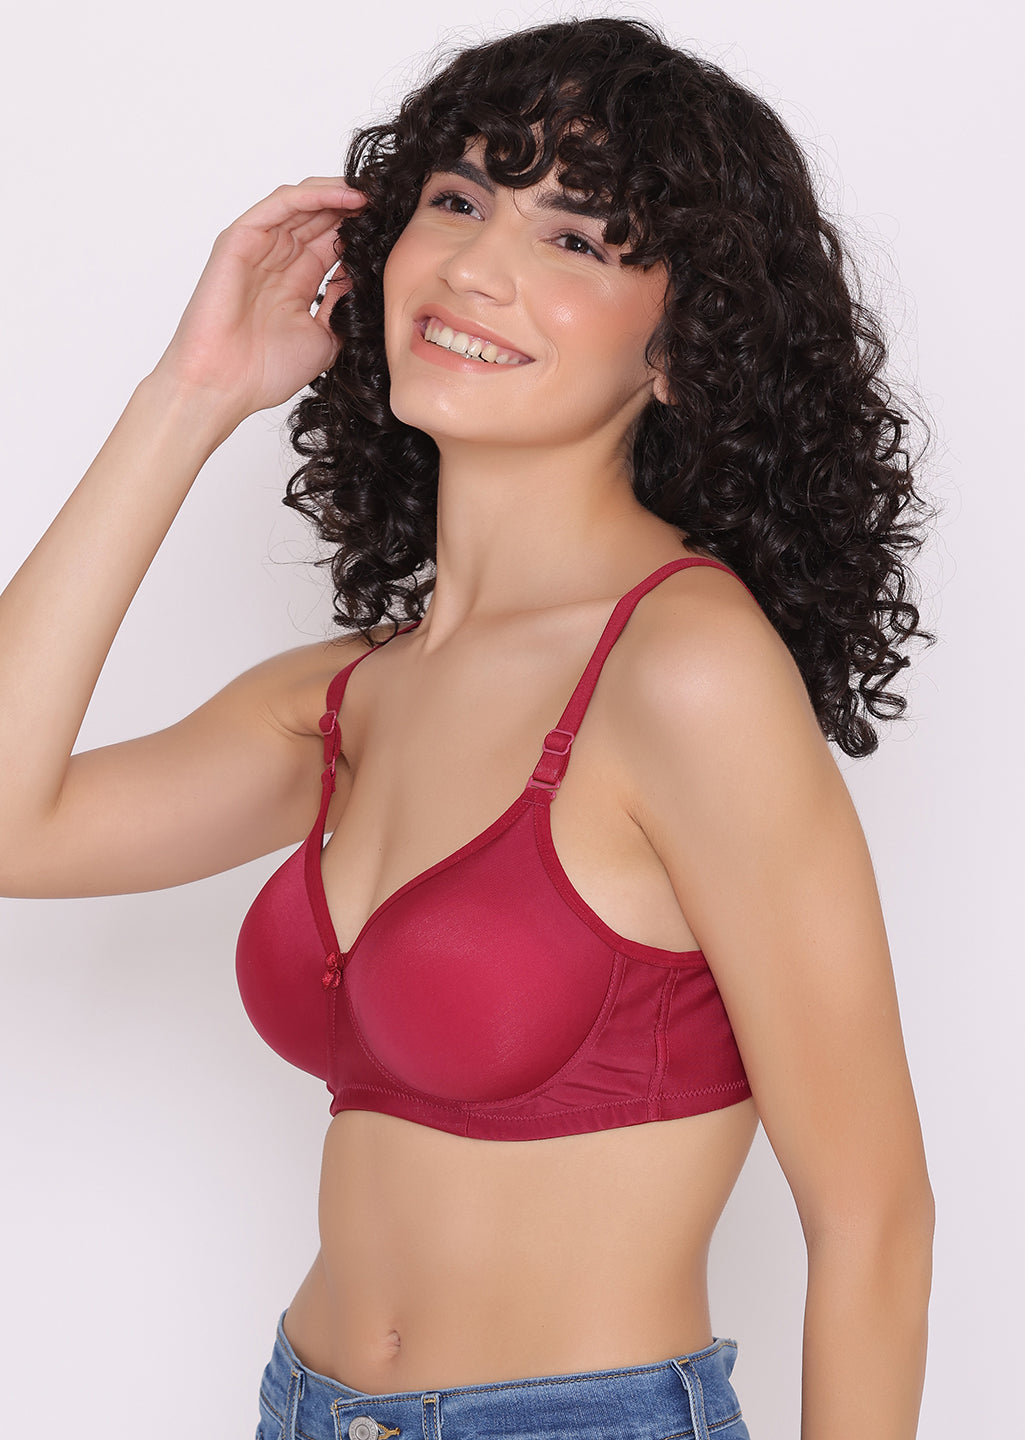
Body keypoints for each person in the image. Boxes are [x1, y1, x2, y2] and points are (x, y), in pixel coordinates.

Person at [0, 17, 936, 1440]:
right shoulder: (349, 699)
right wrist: (190, 396)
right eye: (457, 200)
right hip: (303, 1406)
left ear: (681, 350)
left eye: (577, 238)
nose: (477, 266)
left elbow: (874, 1218)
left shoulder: (685, 672)